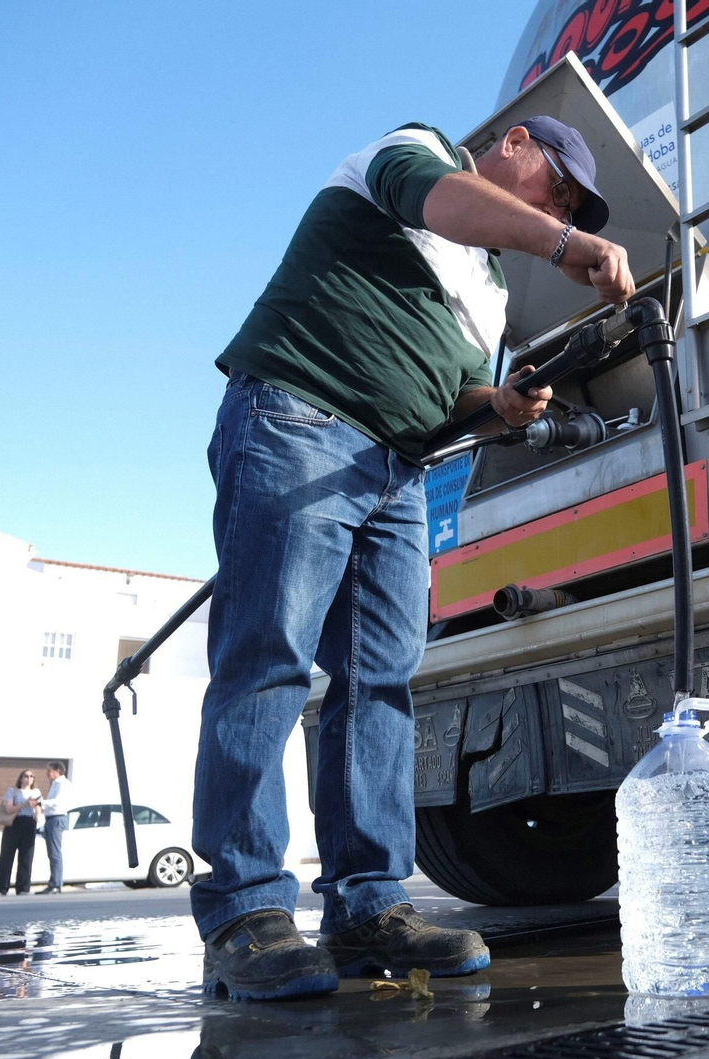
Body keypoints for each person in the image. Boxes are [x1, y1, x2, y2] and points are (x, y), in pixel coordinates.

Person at [194, 116, 633, 1001]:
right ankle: (244, 909)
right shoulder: (417, 153)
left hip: (398, 469)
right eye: (557, 186)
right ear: (513, 144)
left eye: (573, 206)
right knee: (267, 659)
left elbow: (448, 393)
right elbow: (448, 203)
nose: (558, 205)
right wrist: (564, 239)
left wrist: (498, 405)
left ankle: (367, 904)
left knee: (380, 679)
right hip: (300, 418)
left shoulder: (491, 289)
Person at [0, 770, 42, 896]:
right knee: (6, 856)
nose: (28, 778)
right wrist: (25, 803)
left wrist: (37, 817)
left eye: (31, 776)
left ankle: (23, 888)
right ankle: (1, 888)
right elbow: (9, 808)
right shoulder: (13, 791)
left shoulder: (36, 792)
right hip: (14, 822)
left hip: (28, 823)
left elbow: (38, 807)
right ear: (21, 778)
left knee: (26, 857)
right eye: (26, 776)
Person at [36, 761, 71, 894]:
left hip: (57, 818)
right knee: (52, 853)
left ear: (57, 770)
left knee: (55, 852)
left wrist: (40, 802)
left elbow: (58, 802)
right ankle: (53, 882)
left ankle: (56, 884)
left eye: (49, 771)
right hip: (51, 819)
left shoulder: (62, 784)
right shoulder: (55, 784)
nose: (47, 774)